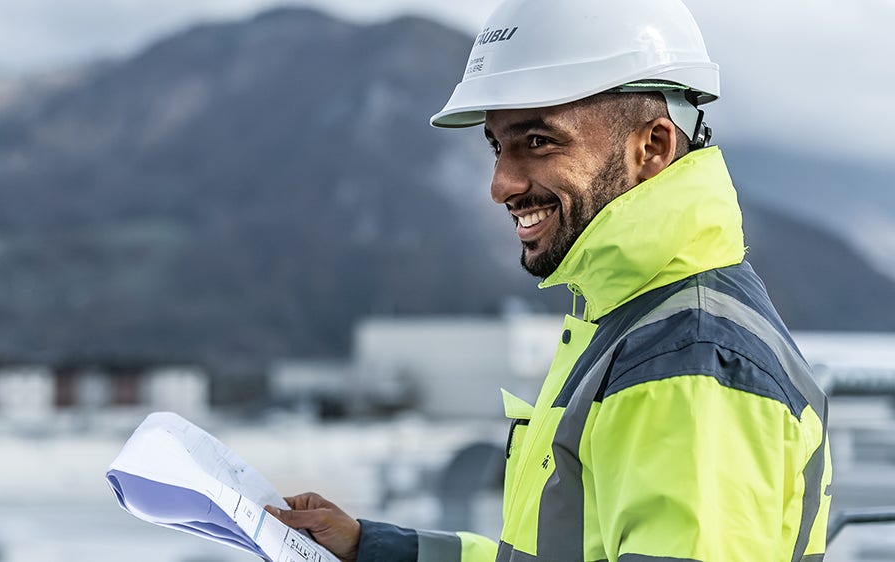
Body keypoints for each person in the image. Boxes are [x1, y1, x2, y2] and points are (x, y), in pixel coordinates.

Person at [267, 0, 831, 561]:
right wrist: (374, 549)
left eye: (538, 141)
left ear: (652, 147)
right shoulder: (635, 321)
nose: (500, 184)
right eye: (496, 146)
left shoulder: (687, 360)